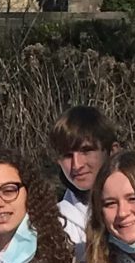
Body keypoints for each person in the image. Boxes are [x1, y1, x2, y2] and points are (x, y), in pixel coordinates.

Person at [48, 105, 117, 246]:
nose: (77, 165)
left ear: (112, 151)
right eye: (67, 155)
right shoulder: (55, 224)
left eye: (86, 151)